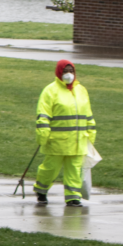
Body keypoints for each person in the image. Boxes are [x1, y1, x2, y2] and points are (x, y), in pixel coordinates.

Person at [33, 59, 96, 207]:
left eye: (71, 71)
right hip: (57, 141)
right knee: (50, 168)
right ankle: (41, 190)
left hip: (78, 141)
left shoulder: (81, 90)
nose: (69, 74)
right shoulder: (50, 91)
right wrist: (43, 133)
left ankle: (73, 197)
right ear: (59, 72)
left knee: (75, 170)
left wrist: (91, 133)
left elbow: (88, 115)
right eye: (65, 71)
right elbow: (43, 114)